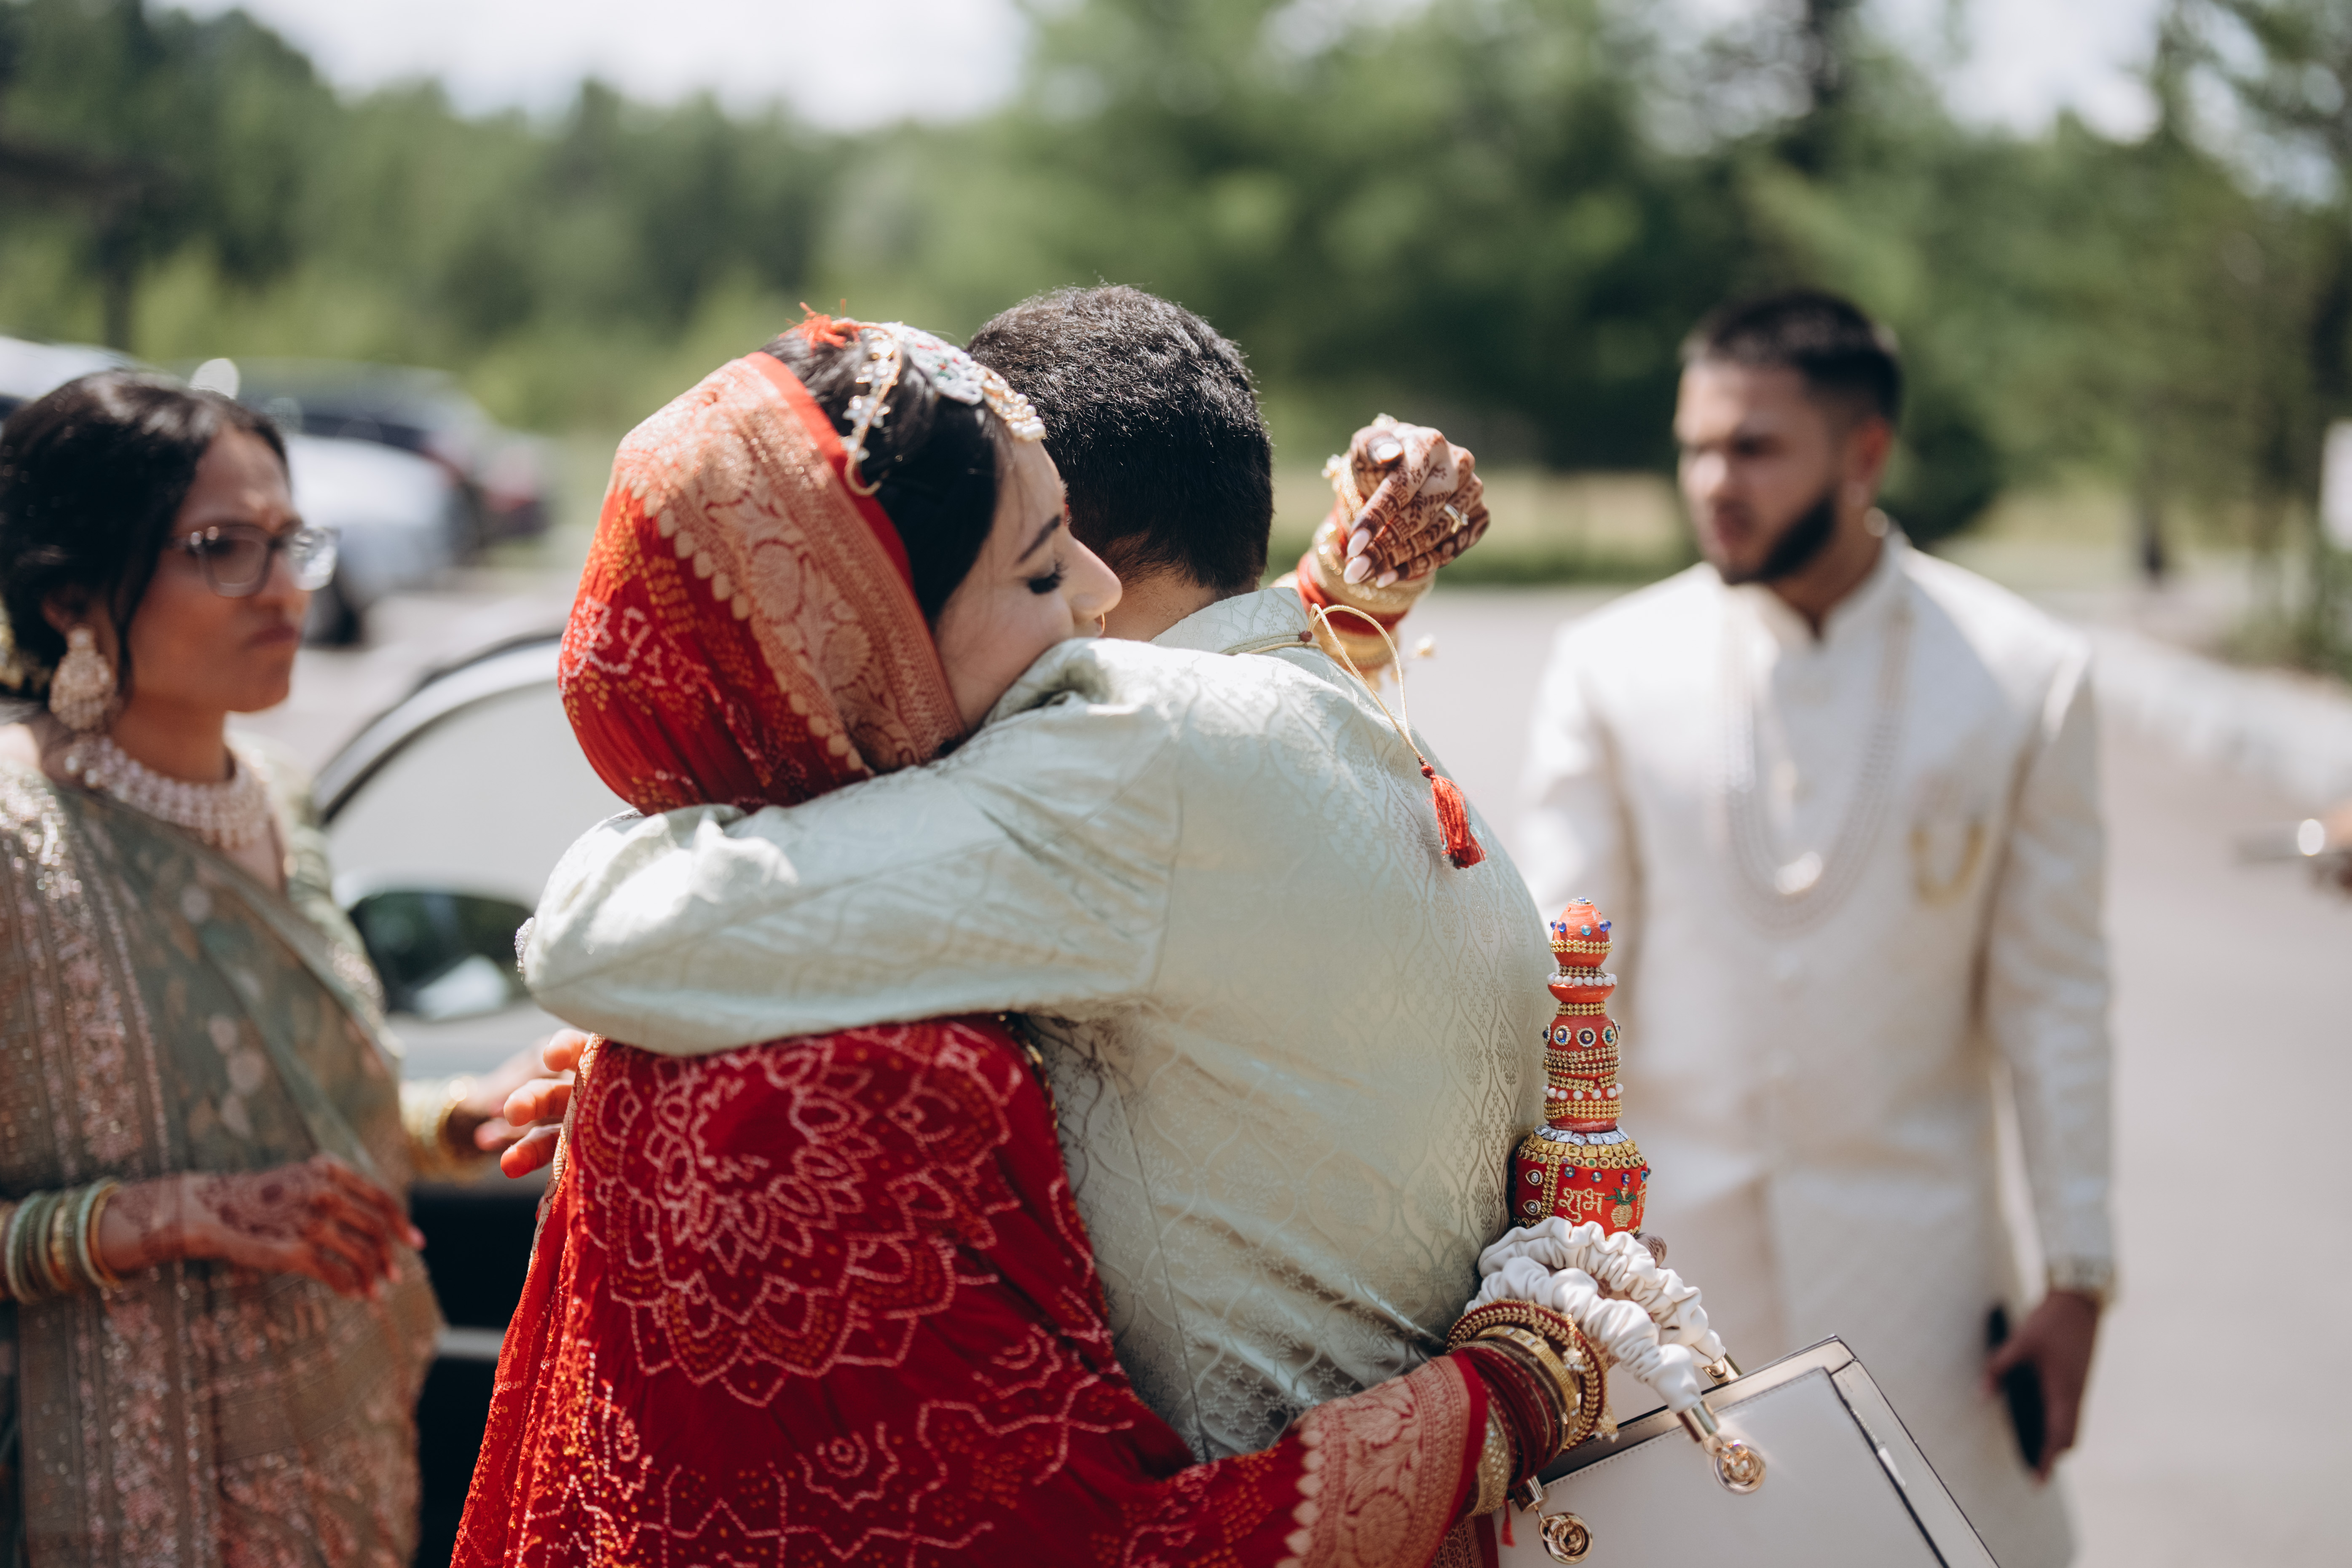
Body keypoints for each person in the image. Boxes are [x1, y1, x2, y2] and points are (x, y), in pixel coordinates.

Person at [457, 320, 1650, 1568]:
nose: (1084, 591)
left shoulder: (1137, 745)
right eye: (1037, 564)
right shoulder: (1353, 719)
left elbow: (593, 940)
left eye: (1064, 549)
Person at [1517, 290, 2112, 1567]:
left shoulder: (2019, 675)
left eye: (1753, 448)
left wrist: (2080, 1275)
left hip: (1926, 1282)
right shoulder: (1613, 665)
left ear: (1865, 455)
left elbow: (2057, 995)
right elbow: (1559, 991)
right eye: (1695, 446)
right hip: (1667, 1280)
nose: (1711, 482)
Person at [0, 373, 533, 1564]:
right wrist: (173, 1218)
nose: (288, 588)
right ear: (70, 594)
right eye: (222, 549)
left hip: (343, 1446)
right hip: (119, 1491)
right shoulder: (16, 841)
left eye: (291, 543)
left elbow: (292, 1111)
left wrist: (460, 1118)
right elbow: (221, 1176)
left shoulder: (281, 798)